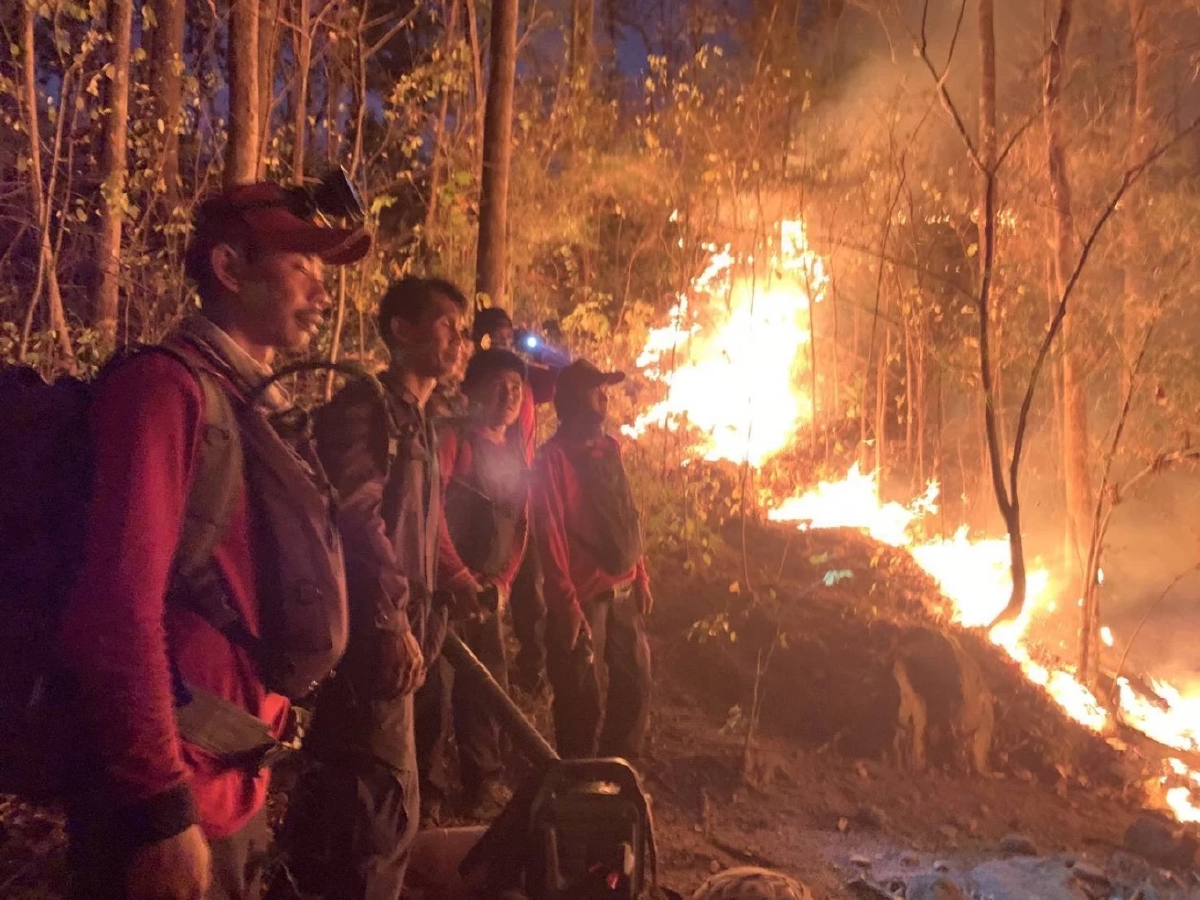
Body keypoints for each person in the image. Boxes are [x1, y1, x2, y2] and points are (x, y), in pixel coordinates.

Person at [56, 181, 369, 900]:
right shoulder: (166, 392)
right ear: (230, 270)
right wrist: (160, 808)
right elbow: (115, 612)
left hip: (230, 779)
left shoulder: (254, 401)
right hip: (172, 797)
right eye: (302, 268)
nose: (323, 294)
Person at [281, 276, 468, 900]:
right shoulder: (363, 412)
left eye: (463, 331)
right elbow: (356, 519)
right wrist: (390, 622)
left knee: (382, 804)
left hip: (406, 639)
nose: (460, 341)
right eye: (447, 326)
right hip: (369, 647)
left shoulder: (419, 422)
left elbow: (417, 528)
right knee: (375, 813)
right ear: (401, 332)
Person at [531, 359, 653, 761]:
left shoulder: (609, 447)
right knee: (579, 696)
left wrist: (641, 575)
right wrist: (565, 605)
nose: (605, 395)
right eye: (597, 389)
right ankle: (578, 779)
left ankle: (618, 770)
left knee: (634, 684)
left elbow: (626, 514)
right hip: (582, 598)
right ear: (571, 400)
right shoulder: (550, 460)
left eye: (606, 388)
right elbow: (548, 533)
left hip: (621, 592)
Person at [434, 348, 532, 817]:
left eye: (517, 386)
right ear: (472, 389)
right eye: (499, 383)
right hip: (442, 597)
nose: (510, 394)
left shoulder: (514, 454)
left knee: (487, 692)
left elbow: (520, 527)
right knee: (433, 693)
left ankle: (483, 783)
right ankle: (427, 792)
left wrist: (502, 585)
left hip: (488, 599)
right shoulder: (453, 440)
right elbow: (429, 515)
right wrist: (457, 578)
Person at [473, 307, 557, 693]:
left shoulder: (522, 379)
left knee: (529, 586)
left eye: (507, 335)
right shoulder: (474, 380)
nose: (502, 341)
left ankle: (532, 666)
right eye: (493, 336)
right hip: (483, 492)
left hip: (521, 488)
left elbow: (563, 373)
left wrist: (537, 345)